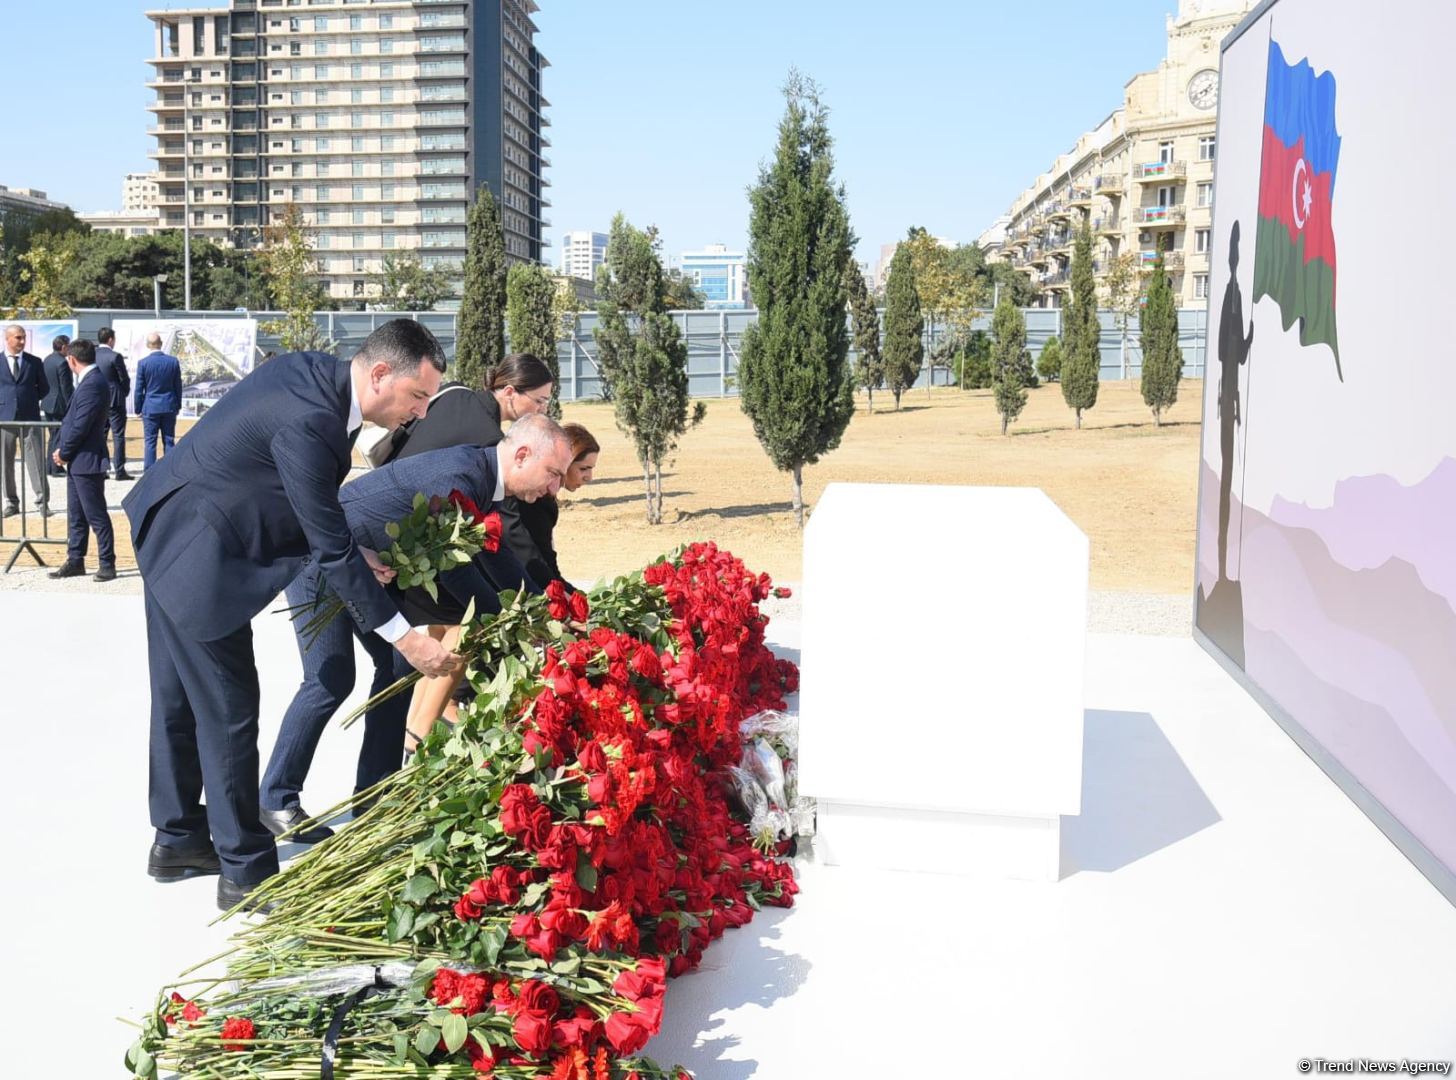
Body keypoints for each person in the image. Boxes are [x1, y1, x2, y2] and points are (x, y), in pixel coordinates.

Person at [123, 319, 463, 912]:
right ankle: (244, 873)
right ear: (380, 374)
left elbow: (306, 501)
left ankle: (177, 840)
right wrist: (406, 641)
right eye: (417, 396)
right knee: (229, 713)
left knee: (179, 700)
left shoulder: (316, 378)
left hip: (174, 531)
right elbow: (329, 547)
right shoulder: (315, 418)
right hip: (201, 553)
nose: (421, 413)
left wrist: (353, 550)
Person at [261, 415, 573, 841]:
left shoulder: (483, 477)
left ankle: (375, 796)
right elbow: (456, 570)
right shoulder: (458, 476)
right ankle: (275, 801)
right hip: (325, 563)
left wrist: (544, 609)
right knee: (329, 678)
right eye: (553, 473)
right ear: (522, 455)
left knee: (397, 669)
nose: (556, 487)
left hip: (367, 573)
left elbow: (497, 557)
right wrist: (513, 626)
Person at [383, 352, 554, 464]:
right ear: (509, 392)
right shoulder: (491, 440)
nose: (543, 409)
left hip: (379, 482)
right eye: (539, 401)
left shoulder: (454, 391)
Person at [499, 422, 600, 593]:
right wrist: (570, 596)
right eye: (583, 468)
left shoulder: (541, 498)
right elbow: (539, 562)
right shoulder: (536, 500)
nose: (589, 477)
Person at [47, 340, 116, 582]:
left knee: (95, 514)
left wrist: (63, 452)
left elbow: (81, 425)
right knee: (76, 515)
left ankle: (107, 563)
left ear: (72, 360)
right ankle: (75, 559)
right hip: (78, 460)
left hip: (86, 459)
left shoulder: (93, 384)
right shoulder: (90, 381)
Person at [1, 323, 51, 518]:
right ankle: (11, 502)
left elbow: (44, 388)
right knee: (5, 463)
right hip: (4, 418)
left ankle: (42, 502)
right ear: (8, 339)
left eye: (23, 337)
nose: (22, 341)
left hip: (30, 417)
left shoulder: (34, 362)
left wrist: (28, 399)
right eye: (18, 338)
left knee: (36, 461)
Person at [133, 331, 183, 470]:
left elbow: (139, 389)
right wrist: (178, 404)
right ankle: (170, 469)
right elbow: (177, 385)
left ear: (148, 345)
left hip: (150, 406)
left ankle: (149, 471)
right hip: (169, 405)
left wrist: (138, 408)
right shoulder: (173, 361)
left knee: (150, 441)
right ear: (160, 343)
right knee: (169, 439)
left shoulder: (143, 363)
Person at [94, 327, 133, 481]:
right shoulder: (115, 356)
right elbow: (123, 378)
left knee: (101, 434)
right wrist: (123, 392)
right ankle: (119, 469)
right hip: (115, 400)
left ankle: (102, 468)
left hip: (98, 399)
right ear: (110, 339)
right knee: (118, 435)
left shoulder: (93, 355)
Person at [41, 334, 73, 478]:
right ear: (64, 346)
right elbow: (66, 387)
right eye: (69, 346)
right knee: (59, 436)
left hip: (48, 403)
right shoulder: (62, 363)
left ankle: (49, 466)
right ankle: (56, 468)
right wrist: (70, 405)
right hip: (59, 404)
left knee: (53, 436)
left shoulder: (47, 359)